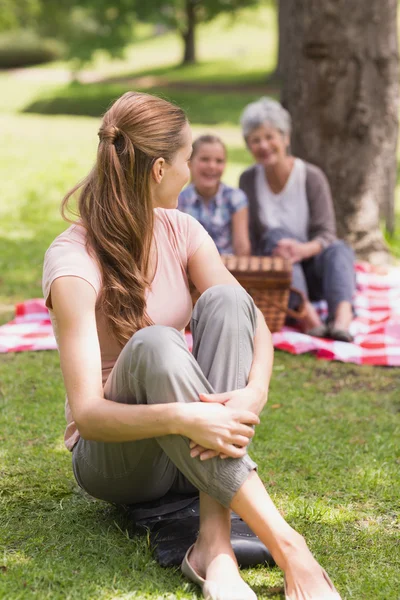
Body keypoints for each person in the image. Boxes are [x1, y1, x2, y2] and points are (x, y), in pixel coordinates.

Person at [43, 91, 341, 600]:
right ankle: (293, 550)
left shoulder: (182, 229)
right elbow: (89, 415)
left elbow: (253, 322)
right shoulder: (73, 260)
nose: (192, 172)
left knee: (226, 301)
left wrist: (255, 393)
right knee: (157, 343)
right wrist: (183, 418)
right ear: (160, 169)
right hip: (118, 460)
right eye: (186, 161)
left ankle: (214, 545)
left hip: (193, 443)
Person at [239, 97, 355, 342]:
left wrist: (301, 250)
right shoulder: (248, 180)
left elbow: (326, 232)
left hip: (313, 269)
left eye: (270, 136)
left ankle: (342, 319)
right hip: (279, 277)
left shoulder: (311, 177)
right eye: (255, 140)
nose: (264, 145)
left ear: (285, 138)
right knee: (275, 236)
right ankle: (308, 318)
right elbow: (251, 237)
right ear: (249, 146)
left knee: (339, 248)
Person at [178, 134, 251, 255]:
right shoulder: (179, 200)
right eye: (205, 159)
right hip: (190, 269)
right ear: (190, 163)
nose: (212, 166)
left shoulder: (235, 198)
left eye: (219, 161)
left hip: (227, 269)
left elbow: (242, 248)